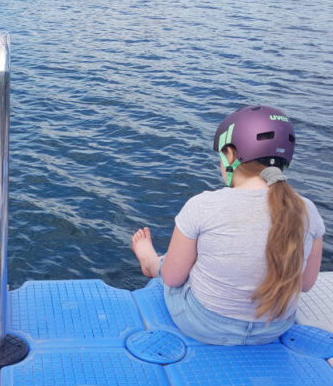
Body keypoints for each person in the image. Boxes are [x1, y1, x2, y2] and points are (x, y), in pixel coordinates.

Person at [131, 105, 325, 345]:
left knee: (170, 272)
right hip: (272, 328)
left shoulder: (202, 205)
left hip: (204, 325)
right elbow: (305, 284)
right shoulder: (308, 210)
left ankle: (151, 261)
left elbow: (172, 280)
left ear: (231, 155)